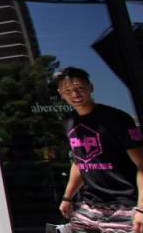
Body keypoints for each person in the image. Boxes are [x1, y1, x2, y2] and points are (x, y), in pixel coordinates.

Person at [55, 66, 143, 233]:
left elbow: (141, 164)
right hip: (90, 206)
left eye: (80, 88)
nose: (75, 94)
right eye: (68, 90)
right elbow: (79, 161)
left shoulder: (116, 118)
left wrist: (141, 208)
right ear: (61, 94)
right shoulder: (68, 122)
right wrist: (68, 197)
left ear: (91, 87)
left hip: (125, 205)